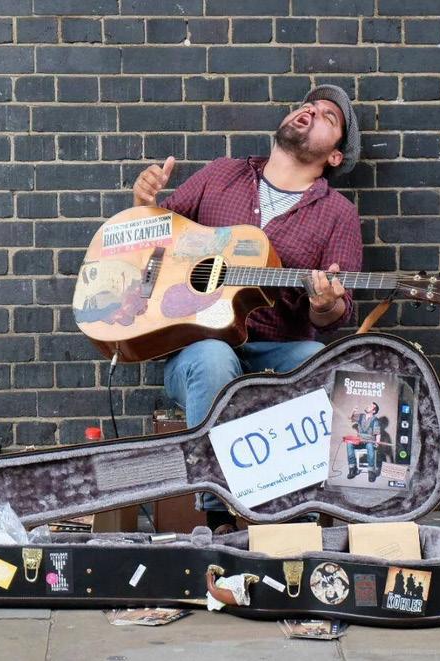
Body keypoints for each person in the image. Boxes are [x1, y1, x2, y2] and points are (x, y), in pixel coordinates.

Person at [132, 85, 363, 532]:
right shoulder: (222, 174)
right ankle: (219, 514)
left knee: (317, 361)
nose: (311, 110)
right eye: (308, 105)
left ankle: (297, 513)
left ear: (335, 156)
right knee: (214, 357)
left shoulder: (338, 213)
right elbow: (154, 243)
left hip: (277, 352)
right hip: (199, 349)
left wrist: (325, 304)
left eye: (328, 116)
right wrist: (144, 205)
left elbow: (335, 317)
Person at [348, 402, 382, 482]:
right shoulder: (361, 416)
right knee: (349, 443)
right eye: (369, 405)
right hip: (359, 441)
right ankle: (352, 468)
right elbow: (350, 418)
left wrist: (377, 442)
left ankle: (371, 472)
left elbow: (378, 433)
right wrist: (353, 411)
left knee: (370, 446)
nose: (368, 406)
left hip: (369, 442)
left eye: (371, 406)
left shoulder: (375, 420)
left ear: (374, 411)